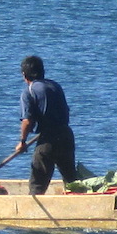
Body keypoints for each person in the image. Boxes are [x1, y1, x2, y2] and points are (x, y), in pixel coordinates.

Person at [15, 55, 77, 194]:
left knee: (37, 182)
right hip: (66, 135)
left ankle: (31, 212)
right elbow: (66, 111)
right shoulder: (55, 85)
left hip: (49, 140)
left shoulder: (29, 92)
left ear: (24, 75)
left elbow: (27, 121)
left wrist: (22, 142)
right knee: (72, 180)